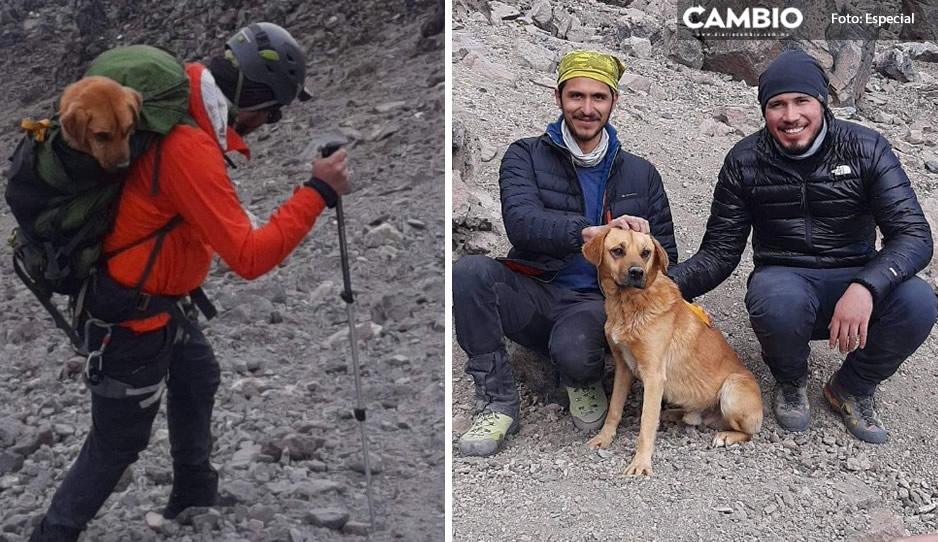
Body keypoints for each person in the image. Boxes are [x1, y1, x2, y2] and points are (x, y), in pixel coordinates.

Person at [29, 22, 349, 541]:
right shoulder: (188, 147)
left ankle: (193, 492)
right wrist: (318, 190)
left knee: (198, 376)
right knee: (116, 445)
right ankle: (52, 533)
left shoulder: (183, 98)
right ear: (255, 99)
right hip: (129, 315)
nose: (273, 122)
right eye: (276, 111)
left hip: (163, 302)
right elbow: (248, 256)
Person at [669, 50, 936, 445]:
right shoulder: (744, 161)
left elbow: (914, 235)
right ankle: (790, 380)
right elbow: (720, 253)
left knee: (919, 301)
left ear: (822, 103)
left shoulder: (866, 148)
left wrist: (867, 286)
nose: (790, 116)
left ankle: (851, 386)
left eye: (801, 101)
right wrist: (661, 287)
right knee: (774, 298)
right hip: (786, 275)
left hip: (856, 274)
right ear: (764, 111)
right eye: (776, 104)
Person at [453, 50, 678, 457]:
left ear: (614, 102)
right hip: (536, 288)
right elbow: (521, 222)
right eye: (576, 96)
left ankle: (582, 379)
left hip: (598, 303)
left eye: (598, 97)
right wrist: (587, 233)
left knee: (575, 351)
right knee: (468, 273)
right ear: (559, 98)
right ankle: (497, 401)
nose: (587, 109)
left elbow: (667, 257)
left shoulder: (641, 174)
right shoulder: (525, 155)